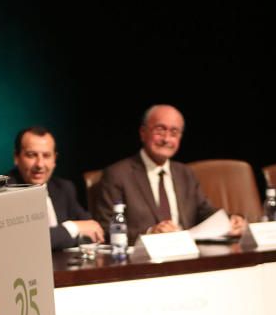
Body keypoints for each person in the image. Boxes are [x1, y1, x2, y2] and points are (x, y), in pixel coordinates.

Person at [94, 104, 246, 243]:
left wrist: (231, 219)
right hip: (143, 259)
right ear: (143, 132)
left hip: (187, 253)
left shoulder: (184, 173)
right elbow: (106, 228)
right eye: (160, 130)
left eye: (174, 132)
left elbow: (205, 211)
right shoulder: (118, 174)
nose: (167, 139)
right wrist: (149, 233)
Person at [8, 126, 103, 251]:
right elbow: (23, 243)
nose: (40, 164)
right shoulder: (4, 193)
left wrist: (59, 238)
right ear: (16, 157)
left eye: (46, 156)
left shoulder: (64, 188)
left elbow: (93, 231)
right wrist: (71, 228)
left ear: (55, 159)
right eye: (31, 155)